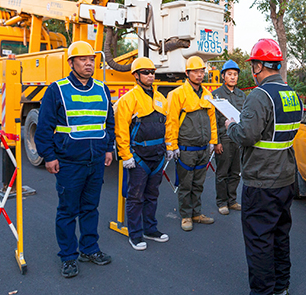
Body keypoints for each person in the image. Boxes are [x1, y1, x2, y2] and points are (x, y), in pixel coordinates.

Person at [225, 39, 302, 295]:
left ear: (259, 65)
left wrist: (230, 127)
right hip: (286, 178)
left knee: (259, 240)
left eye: (253, 65)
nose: (252, 71)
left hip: (261, 181)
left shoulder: (260, 95)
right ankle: (281, 289)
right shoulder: (292, 94)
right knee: (280, 236)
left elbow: (246, 134)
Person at [34, 41, 114, 278]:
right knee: (68, 210)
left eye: (91, 59)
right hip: (69, 162)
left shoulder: (102, 88)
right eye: (82, 59)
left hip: (96, 160)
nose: (88, 63)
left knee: (90, 208)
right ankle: (68, 257)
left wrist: (108, 148)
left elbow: (107, 122)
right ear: (71, 62)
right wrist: (48, 156)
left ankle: (89, 249)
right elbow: (45, 126)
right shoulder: (56, 90)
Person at [114, 57, 169, 251]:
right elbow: (121, 129)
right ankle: (135, 234)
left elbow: (167, 124)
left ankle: (150, 229)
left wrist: (170, 146)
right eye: (146, 72)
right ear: (136, 75)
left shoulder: (160, 98)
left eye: (152, 72)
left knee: (152, 194)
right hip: (138, 157)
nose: (150, 75)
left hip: (158, 155)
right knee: (136, 196)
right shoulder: (129, 99)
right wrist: (125, 155)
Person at [165, 55, 218, 231]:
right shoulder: (177, 94)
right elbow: (171, 120)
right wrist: (171, 145)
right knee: (186, 185)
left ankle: (196, 213)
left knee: (198, 184)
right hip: (186, 149)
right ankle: (186, 216)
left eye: (202, 71)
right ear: (187, 73)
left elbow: (212, 120)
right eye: (195, 71)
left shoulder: (208, 95)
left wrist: (213, 141)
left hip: (203, 148)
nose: (199, 74)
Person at [212, 59, 246, 215]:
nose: (233, 77)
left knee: (235, 172)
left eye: (235, 74)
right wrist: (216, 142)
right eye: (229, 74)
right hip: (224, 138)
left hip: (238, 139)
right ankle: (222, 202)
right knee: (222, 173)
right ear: (223, 76)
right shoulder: (216, 95)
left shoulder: (242, 95)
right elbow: (212, 120)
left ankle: (232, 200)